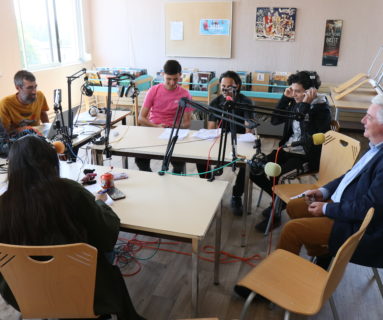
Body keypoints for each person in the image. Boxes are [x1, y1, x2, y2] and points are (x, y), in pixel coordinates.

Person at [0, 135, 144, 320]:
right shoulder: (70, 191)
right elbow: (107, 236)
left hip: (25, 293)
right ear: (51, 162)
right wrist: (100, 204)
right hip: (84, 288)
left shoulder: (4, 204)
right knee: (103, 251)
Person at [278, 95, 383, 269]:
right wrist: (324, 192)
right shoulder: (375, 147)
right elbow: (351, 176)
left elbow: (368, 209)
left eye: (369, 117)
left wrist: (327, 208)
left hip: (358, 226)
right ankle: (322, 253)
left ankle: (276, 283)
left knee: (292, 230)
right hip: (345, 205)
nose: (362, 120)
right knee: (294, 206)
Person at [252, 70, 331, 232]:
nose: (294, 94)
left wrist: (305, 106)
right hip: (288, 149)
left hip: (308, 155)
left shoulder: (321, 110)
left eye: (298, 91)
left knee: (280, 176)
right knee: (255, 168)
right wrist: (285, 98)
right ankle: (279, 201)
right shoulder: (295, 101)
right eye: (292, 90)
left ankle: (276, 215)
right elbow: (274, 121)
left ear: (311, 92)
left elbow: (310, 140)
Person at [196, 71, 254, 215]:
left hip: (240, 141)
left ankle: (236, 195)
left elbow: (248, 129)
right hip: (221, 140)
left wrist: (244, 143)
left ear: (238, 86)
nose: (226, 89)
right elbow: (211, 127)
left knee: (247, 165)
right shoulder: (216, 102)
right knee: (200, 157)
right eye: (223, 86)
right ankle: (209, 185)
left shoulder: (246, 102)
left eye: (230, 86)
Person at [135, 60, 192, 173]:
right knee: (140, 160)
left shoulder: (185, 94)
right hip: (154, 131)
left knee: (179, 163)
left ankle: (172, 181)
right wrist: (156, 127)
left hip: (173, 132)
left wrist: (173, 127)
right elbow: (141, 118)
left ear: (180, 75)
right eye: (168, 79)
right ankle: (151, 178)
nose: (172, 82)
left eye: (175, 79)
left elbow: (187, 123)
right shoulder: (153, 91)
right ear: (162, 75)